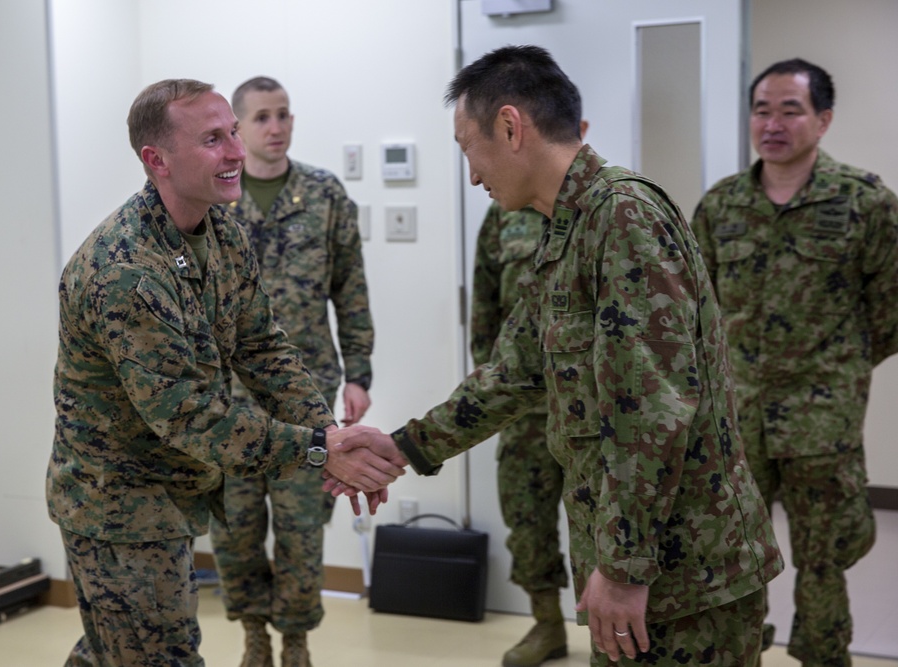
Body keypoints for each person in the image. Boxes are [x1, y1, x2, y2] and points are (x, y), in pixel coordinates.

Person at [329, 45, 783, 666]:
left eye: (468, 147)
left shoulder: (622, 217)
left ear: (511, 127)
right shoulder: (567, 229)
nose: (471, 174)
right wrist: (405, 446)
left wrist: (622, 569)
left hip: (682, 573)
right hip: (642, 563)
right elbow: (513, 373)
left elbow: (653, 410)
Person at [46, 78, 402, 667]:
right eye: (215, 138)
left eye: (232, 133)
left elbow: (262, 346)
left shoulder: (220, 232)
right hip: (120, 509)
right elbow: (188, 415)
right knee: (157, 657)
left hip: (169, 495)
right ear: (156, 160)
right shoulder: (127, 270)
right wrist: (321, 450)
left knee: (112, 655)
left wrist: (328, 432)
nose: (238, 151)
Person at [691, 58, 898, 667]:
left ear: (823, 119)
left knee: (824, 559)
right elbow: (696, 312)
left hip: (821, 424)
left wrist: (835, 370)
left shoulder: (865, 202)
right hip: (736, 418)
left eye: (790, 109)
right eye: (762, 109)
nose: (772, 124)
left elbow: (890, 312)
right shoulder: (722, 205)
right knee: (730, 558)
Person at [206, 76, 373, 667]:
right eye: (261, 118)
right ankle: (253, 633)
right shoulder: (213, 198)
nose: (275, 128)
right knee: (236, 526)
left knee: (303, 526)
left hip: (306, 393)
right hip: (228, 400)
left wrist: (360, 373)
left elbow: (350, 289)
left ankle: (297, 639)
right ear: (238, 128)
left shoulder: (325, 195)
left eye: (284, 115)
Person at [471, 120, 587, 667]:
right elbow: (485, 317)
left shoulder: (608, 212)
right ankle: (547, 624)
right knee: (528, 520)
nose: (474, 173)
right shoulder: (503, 215)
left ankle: (621, 635)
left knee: (606, 524)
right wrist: (490, 398)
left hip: (597, 415)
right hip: (524, 409)